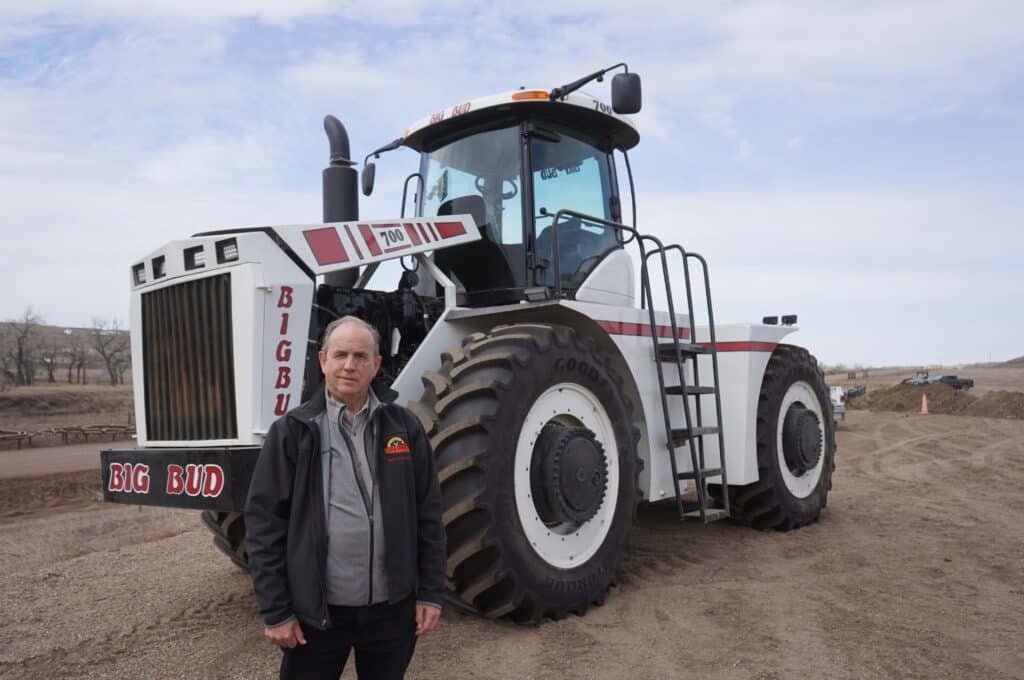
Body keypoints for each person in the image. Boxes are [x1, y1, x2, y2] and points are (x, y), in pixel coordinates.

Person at [245, 315, 445, 679]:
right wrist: (276, 611)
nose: (349, 366)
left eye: (360, 356)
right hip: (317, 616)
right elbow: (264, 525)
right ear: (323, 361)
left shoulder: (404, 427)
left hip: (390, 614)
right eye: (339, 355)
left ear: (377, 365)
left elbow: (428, 514)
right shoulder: (293, 432)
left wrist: (430, 592)